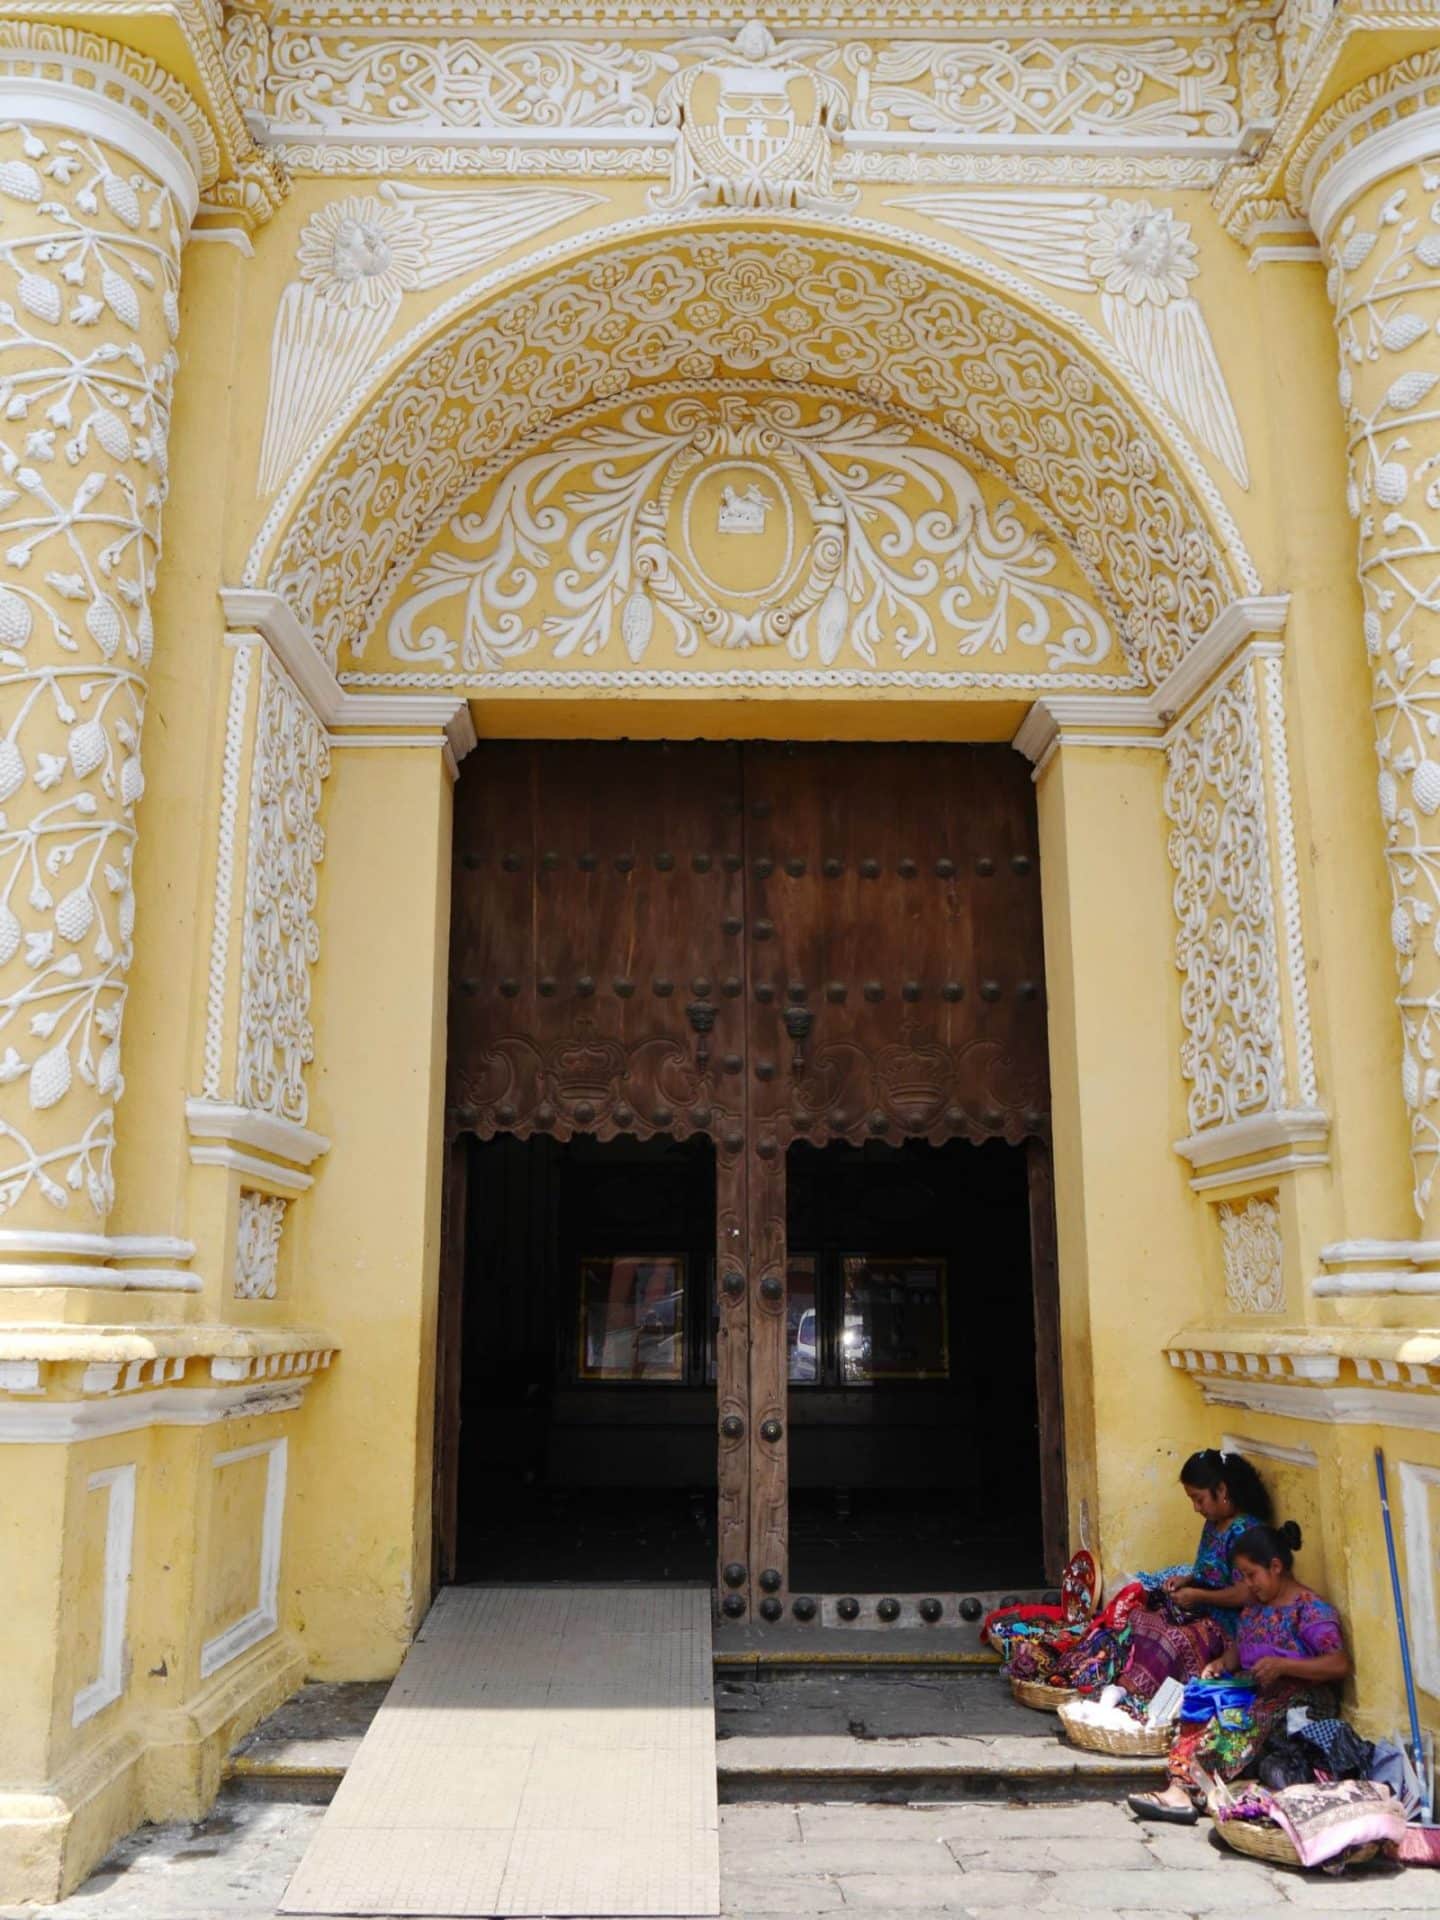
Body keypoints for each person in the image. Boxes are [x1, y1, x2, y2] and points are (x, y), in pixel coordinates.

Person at [1128, 1520, 1350, 1823]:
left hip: (1302, 1697)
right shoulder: (1256, 1605)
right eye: (1243, 1577)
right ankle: (1183, 1785)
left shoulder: (1310, 1610)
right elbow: (1243, 1647)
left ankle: (1186, 1790)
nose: (1248, 1584)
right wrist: (1220, 1664)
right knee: (1200, 1708)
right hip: (1255, 1688)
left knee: (1241, 1720)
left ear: (1275, 1567)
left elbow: (1338, 1664)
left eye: (1251, 1575)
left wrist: (1285, 1665)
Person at [1111, 1448, 1272, 1700]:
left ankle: (1135, 1691)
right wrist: (1187, 1580)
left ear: (1222, 1490)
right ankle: (1125, 1684)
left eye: (1199, 1499)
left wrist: (1197, 1595)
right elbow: (1209, 1570)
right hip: (1202, 1610)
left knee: (1171, 1639)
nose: (1196, 1508)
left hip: (1228, 1625)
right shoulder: (1214, 1523)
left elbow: (1247, 1594)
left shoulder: (1246, 1531)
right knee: (1139, 1620)